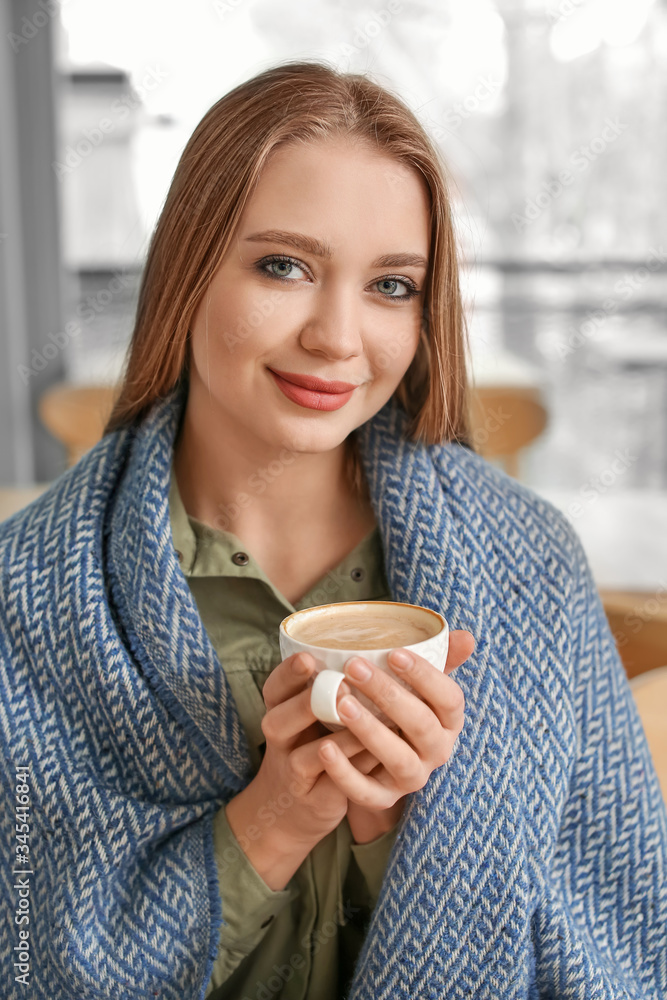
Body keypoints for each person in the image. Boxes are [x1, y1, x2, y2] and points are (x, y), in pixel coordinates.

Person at [0, 60, 665, 1000]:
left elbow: (622, 947)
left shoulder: (528, 564)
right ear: (188, 266)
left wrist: (400, 833)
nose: (338, 338)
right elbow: (25, 961)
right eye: (284, 266)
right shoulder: (28, 595)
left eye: (392, 286)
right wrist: (274, 818)